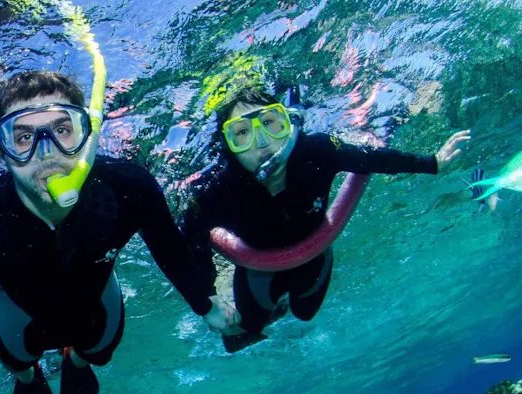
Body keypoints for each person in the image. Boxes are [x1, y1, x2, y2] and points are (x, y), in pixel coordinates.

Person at [0, 70, 236, 394]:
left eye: (62, 130)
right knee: (20, 363)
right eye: (24, 137)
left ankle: (76, 360)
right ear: (1, 154)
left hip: (94, 301)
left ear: (87, 136)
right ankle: (30, 379)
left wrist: (203, 304)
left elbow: (167, 245)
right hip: (14, 310)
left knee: (99, 353)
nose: (47, 153)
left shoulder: (128, 189)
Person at [181, 86, 471, 353]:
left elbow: (371, 158)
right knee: (247, 332)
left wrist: (433, 162)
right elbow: (191, 242)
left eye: (269, 122)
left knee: (305, 312)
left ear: (286, 122)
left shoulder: (317, 151)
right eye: (242, 132)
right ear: (228, 144)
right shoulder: (217, 189)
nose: (262, 141)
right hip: (257, 268)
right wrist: (208, 299)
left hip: (314, 256)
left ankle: (281, 307)